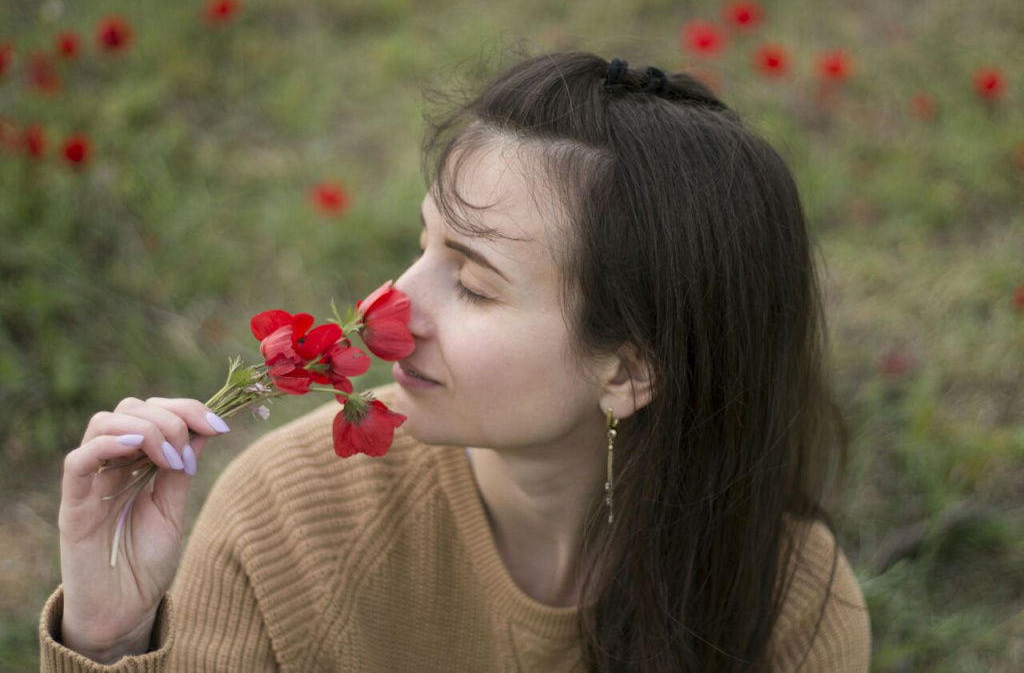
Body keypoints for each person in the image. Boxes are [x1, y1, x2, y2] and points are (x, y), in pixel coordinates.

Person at [40, 49, 871, 671]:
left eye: (472, 283)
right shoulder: (284, 523)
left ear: (627, 371)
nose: (383, 308)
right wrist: (109, 635)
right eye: (422, 245)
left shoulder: (789, 600)